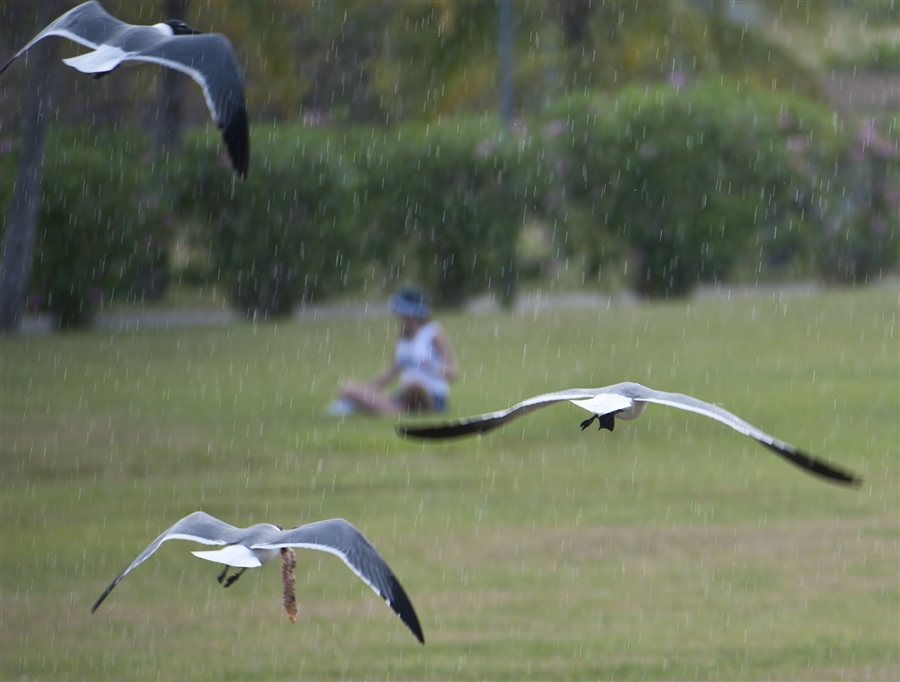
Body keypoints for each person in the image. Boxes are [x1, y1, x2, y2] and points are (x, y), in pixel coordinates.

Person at [329, 287, 458, 416]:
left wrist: (429, 366)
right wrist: (367, 389)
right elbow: (391, 372)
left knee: (414, 385)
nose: (398, 316)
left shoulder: (433, 333)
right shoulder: (403, 338)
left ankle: (388, 409)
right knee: (347, 388)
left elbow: (453, 372)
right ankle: (394, 410)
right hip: (404, 397)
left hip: (431, 397)